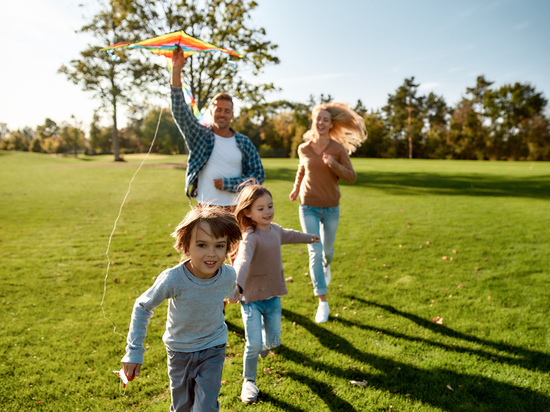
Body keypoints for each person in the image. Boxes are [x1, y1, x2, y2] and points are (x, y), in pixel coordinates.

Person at [121, 206, 242, 412]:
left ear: (227, 248)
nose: (211, 254)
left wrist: (235, 295)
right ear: (186, 248)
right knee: (182, 407)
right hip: (180, 352)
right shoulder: (173, 279)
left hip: (213, 347)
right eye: (202, 245)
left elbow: (231, 290)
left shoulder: (228, 274)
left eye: (219, 246)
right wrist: (134, 352)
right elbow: (143, 306)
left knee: (205, 407)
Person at [233, 185, 319, 403]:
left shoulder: (275, 230)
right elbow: (242, 262)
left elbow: (290, 235)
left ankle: (264, 341)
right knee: (252, 345)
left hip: (273, 297)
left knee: (273, 341)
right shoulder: (250, 238)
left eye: (270, 206)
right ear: (247, 212)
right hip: (251, 299)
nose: (268, 211)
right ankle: (249, 382)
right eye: (261, 208)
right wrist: (238, 286)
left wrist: (309, 237)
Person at [289, 102, 366, 324]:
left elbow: (351, 176)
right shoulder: (303, 148)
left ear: (331, 124)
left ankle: (327, 264)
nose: (321, 122)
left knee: (327, 252)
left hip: (331, 208)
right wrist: (296, 188)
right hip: (308, 207)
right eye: (318, 119)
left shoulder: (337, 149)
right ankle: (322, 302)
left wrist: (334, 164)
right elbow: (302, 169)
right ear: (313, 122)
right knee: (314, 251)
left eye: (325, 119)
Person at [170, 46, 265, 208]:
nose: (222, 114)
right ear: (211, 112)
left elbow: (258, 175)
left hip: (237, 209)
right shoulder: (199, 135)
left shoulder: (243, 142)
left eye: (227, 111)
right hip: (205, 207)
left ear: (232, 114)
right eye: (218, 110)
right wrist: (176, 69)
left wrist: (230, 184)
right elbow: (179, 109)